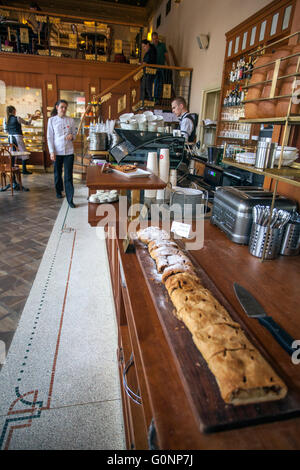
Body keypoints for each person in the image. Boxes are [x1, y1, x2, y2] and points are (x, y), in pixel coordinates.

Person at [47, 99, 76, 208]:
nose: (64, 109)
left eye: (65, 107)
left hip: (69, 151)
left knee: (68, 176)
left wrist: (72, 136)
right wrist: (51, 152)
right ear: (57, 107)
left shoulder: (71, 120)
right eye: (62, 107)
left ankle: (70, 199)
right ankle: (58, 191)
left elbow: (74, 133)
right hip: (57, 151)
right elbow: (49, 137)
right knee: (57, 173)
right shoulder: (51, 120)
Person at [4, 105, 38, 176]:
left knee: (12, 153)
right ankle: (24, 170)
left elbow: (5, 130)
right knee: (23, 152)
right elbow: (27, 123)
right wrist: (31, 118)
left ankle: (12, 167)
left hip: (10, 137)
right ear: (13, 111)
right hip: (18, 137)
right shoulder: (17, 118)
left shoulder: (5, 119)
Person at [151, 32, 170, 103]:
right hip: (153, 68)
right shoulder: (151, 46)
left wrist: (169, 65)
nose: (155, 40)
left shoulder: (162, 45)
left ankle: (159, 98)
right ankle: (155, 99)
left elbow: (166, 55)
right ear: (152, 39)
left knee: (161, 83)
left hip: (161, 67)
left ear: (158, 38)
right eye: (153, 39)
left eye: (156, 38)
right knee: (155, 83)